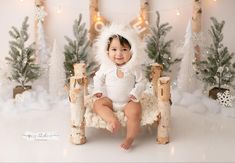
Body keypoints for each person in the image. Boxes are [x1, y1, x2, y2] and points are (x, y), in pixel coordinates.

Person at [92, 24, 147, 150]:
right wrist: (99, 90)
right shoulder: (106, 66)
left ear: (131, 51)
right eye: (114, 49)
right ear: (107, 50)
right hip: (110, 101)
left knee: (135, 112)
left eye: (124, 49)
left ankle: (129, 138)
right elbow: (97, 78)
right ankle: (112, 120)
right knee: (97, 105)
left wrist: (135, 93)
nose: (119, 54)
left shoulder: (133, 67)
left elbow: (142, 82)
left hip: (128, 101)